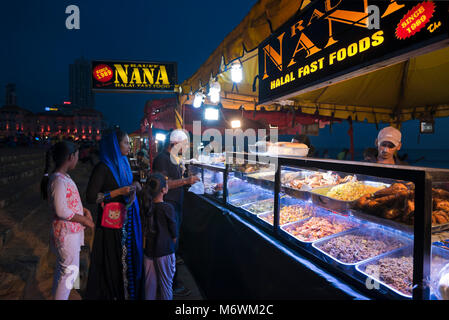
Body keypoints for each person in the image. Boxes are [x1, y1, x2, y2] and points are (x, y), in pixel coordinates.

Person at [85, 129, 144, 300]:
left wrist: (135, 186)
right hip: (111, 224)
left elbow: (129, 185)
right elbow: (90, 197)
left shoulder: (124, 163)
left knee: (126, 260)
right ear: (114, 145)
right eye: (125, 142)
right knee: (113, 260)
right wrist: (116, 192)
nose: (129, 146)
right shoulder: (103, 167)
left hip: (126, 222)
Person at [41, 141, 95, 300]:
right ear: (71, 157)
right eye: (77, 156)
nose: (78, 159)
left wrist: (84, 210)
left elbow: (68, 202)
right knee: (69, 274)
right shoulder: (58, 180)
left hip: (70, 233)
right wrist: (85, 220)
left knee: (64, 272)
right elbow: (61, 210)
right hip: (66, 235)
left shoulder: (64, 177)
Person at [152, 129, 199, 297]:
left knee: (174, 244)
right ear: (174, 143)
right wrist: (186, 180)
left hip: (175, 205)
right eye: (183, 145)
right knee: (169, 244)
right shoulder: (162, 159)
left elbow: (176, 178)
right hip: (167, 206)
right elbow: (163, 184)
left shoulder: (174, 158)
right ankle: (171, 284)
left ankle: (171, 280)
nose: (184, 148)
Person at [142, 173, 177, 300]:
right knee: (166, 286)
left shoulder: (146, 206)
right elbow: (173, 232)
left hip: (149, 250)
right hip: (164, 251)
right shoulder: (168, 208)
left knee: (149, 285)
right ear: (163, 190)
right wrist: (174, 240)